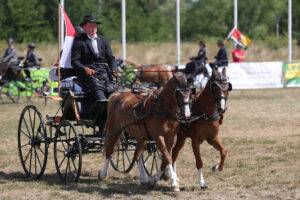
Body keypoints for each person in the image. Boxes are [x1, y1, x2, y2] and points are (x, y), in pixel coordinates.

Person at [71, 14, 117, 102]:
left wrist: (114, 69)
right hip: (87, 74)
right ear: (84, 27)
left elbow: (111, 58)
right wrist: (85, 68)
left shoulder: (103, 40)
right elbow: (74, 61)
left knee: (113, 91)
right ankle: (102, 104)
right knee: (99, 91)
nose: (94, 27)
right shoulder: (79, 41)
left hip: (103, 72)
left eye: (95, 25)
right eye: (91, 25)